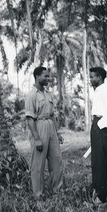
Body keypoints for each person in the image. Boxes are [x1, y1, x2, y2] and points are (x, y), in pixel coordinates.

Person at [25, 66, 63, 200]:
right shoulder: (31, 95)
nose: (48, 78)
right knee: (38, 164)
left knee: (56, 160)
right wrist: (36, 139)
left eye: (49, 76)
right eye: (45, 76)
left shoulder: (48, 94)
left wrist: (57, 133)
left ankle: (58, 192)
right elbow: (30, 119)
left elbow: (52, 115)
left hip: (50, 126)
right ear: (37, 77)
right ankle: (38, 196)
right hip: (38, 126)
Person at [89, 66, 107, 204]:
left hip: (102, 125)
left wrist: (100, 125)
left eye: (92, 76)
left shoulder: (105, 90)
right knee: (97, 160)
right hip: (97, 123)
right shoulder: (98, 90)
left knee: (100, 161)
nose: (91, 79)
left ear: (100, 77)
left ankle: (101, 197)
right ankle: (101, 191)